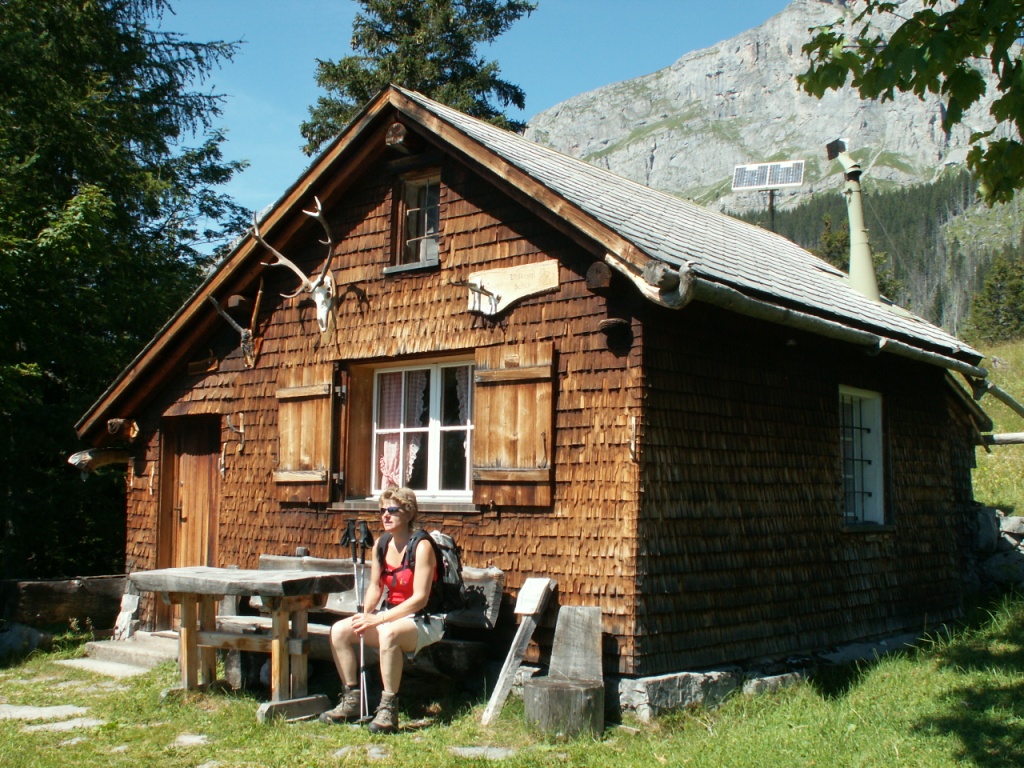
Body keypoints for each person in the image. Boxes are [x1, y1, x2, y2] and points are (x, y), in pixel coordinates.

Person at [319, 487, 446, 733]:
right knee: (340, 631)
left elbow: (420, 599)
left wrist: (379, 619)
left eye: (392, 510)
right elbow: (375, 587)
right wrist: (366, 614)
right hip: (390, 616)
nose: (385, 515)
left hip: (425, 620)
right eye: (382, 511)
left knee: (388, 635)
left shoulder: (422, 546)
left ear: (409, 514)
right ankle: (352, 700)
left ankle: (388, 709)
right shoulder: (382, 543)